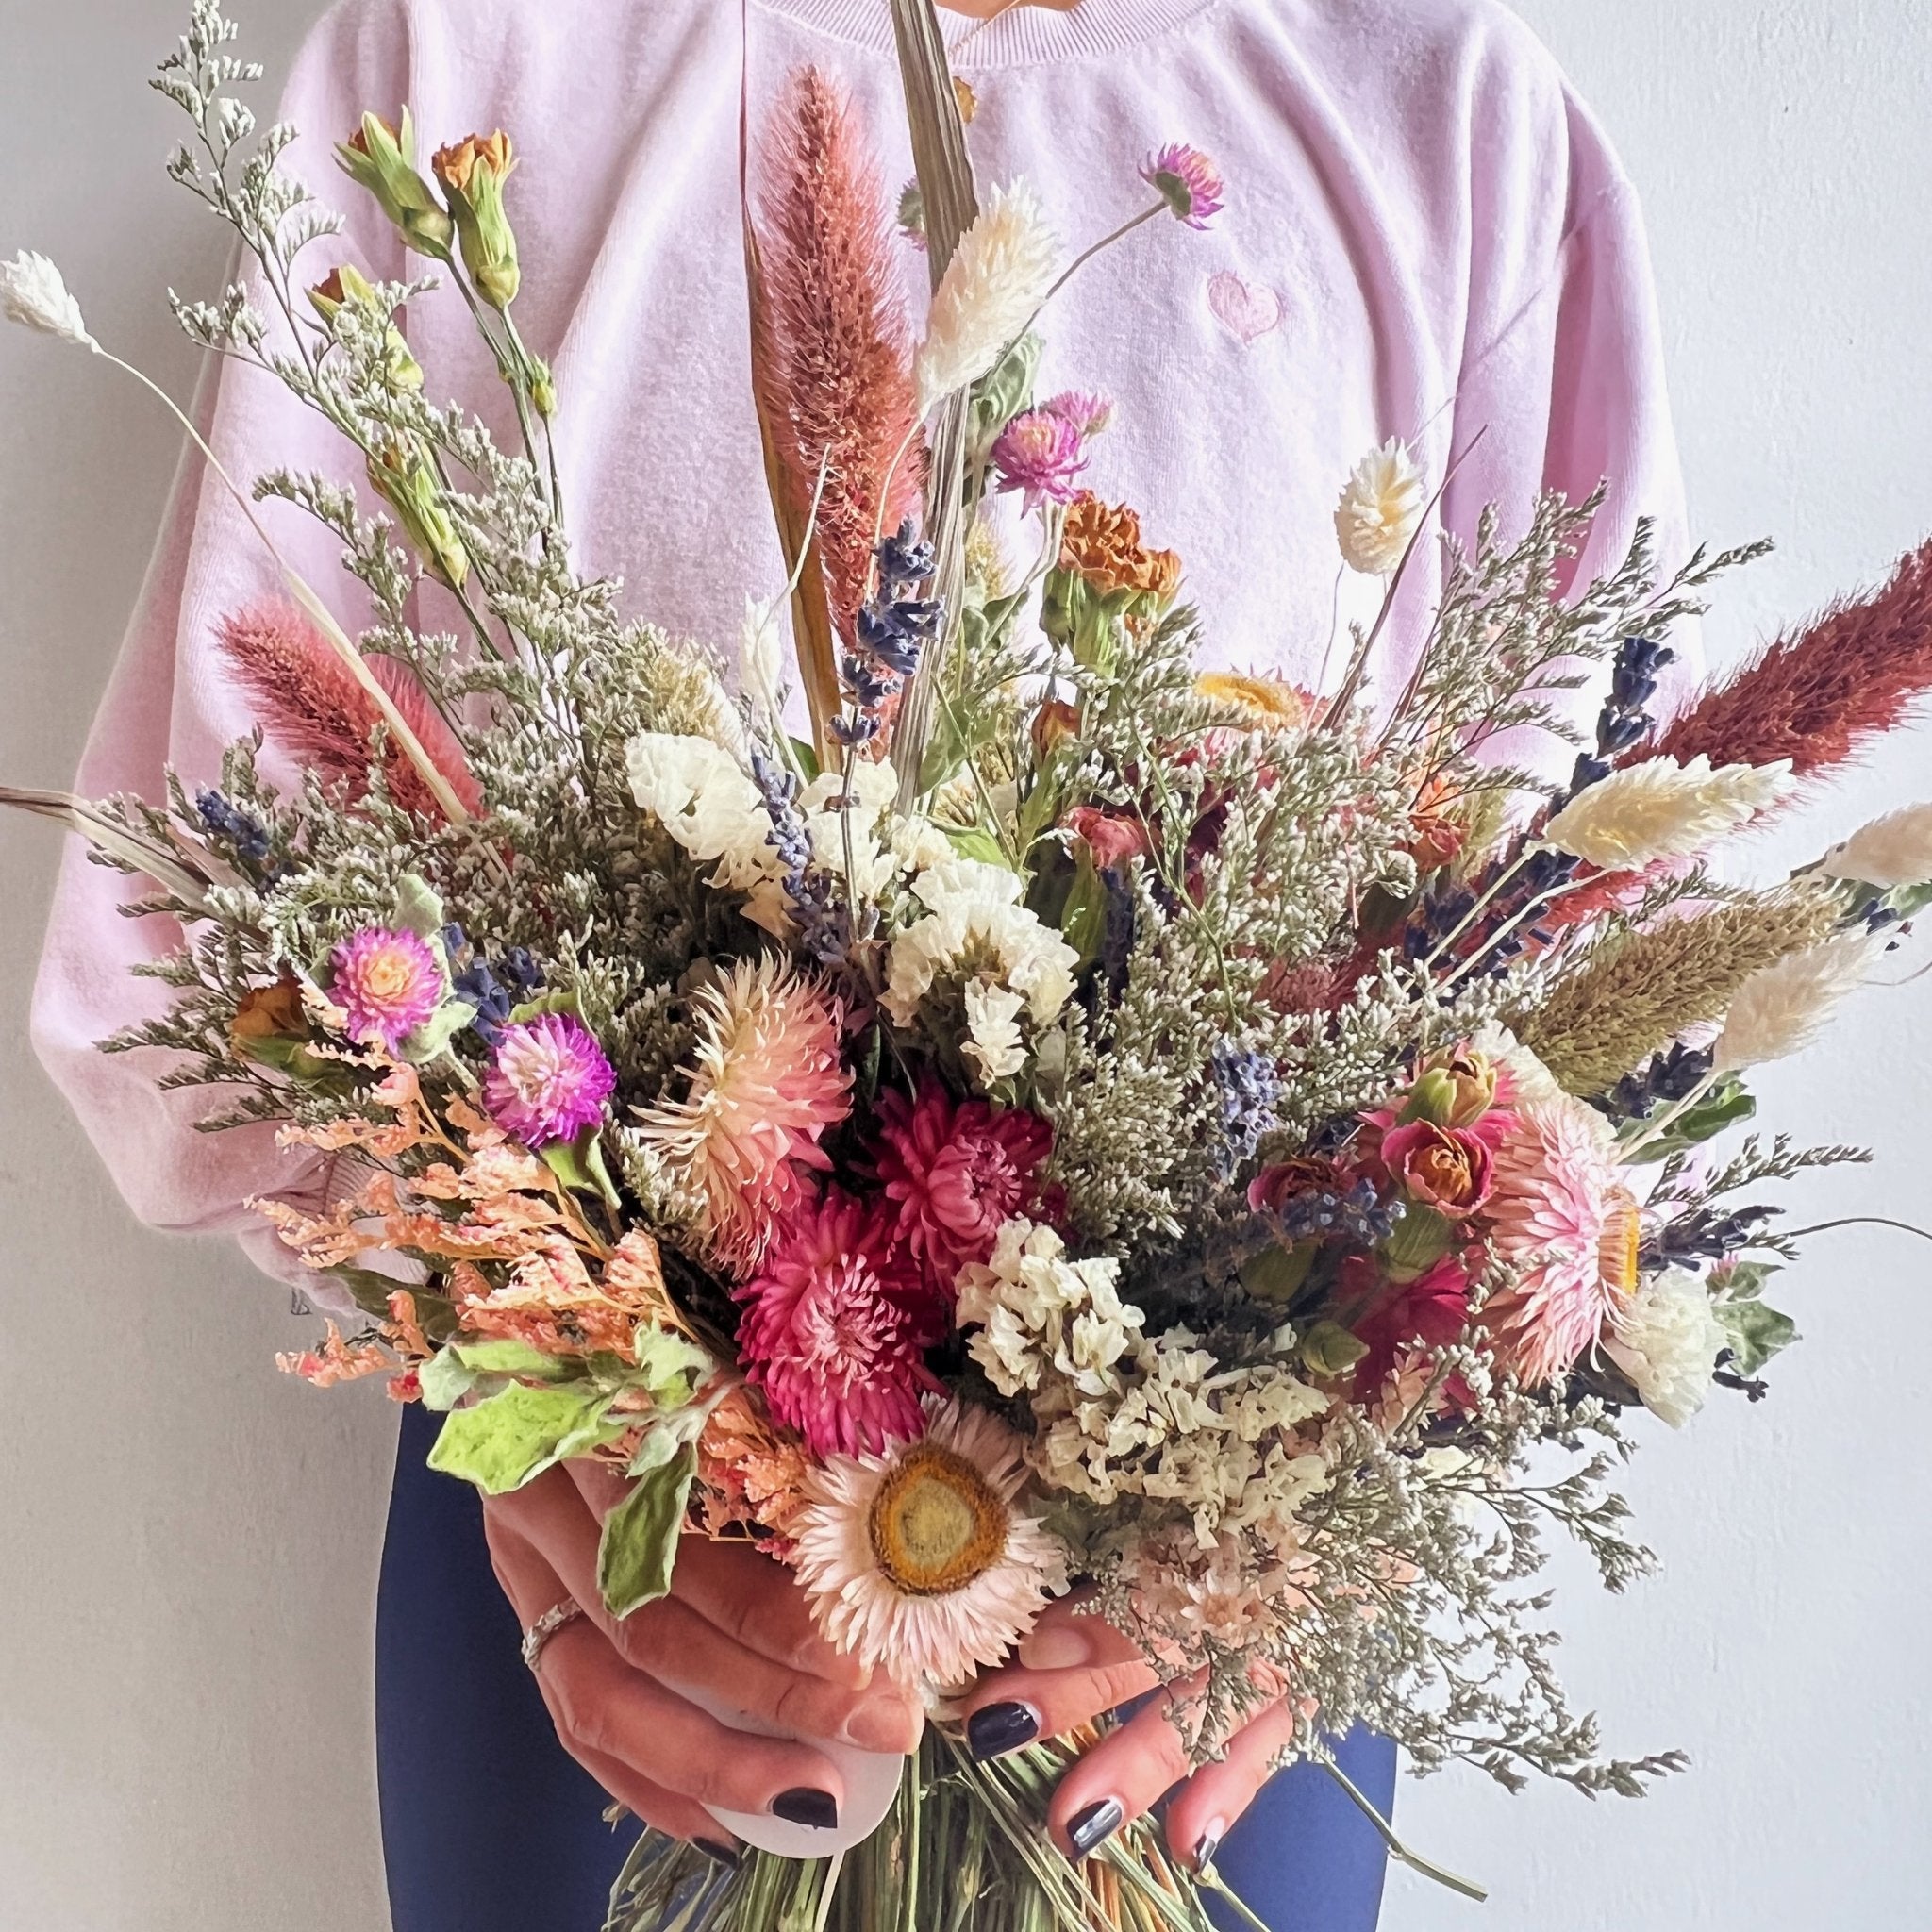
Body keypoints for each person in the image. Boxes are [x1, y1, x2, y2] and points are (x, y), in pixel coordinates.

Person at [31, 0, 1694, 1926]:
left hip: (1195, 1656)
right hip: (630, 1563)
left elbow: (1572, 963)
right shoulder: (464, 54)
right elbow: (228, 920)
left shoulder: (1448, 115)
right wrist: (524, 1355)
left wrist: (1335, 1522)